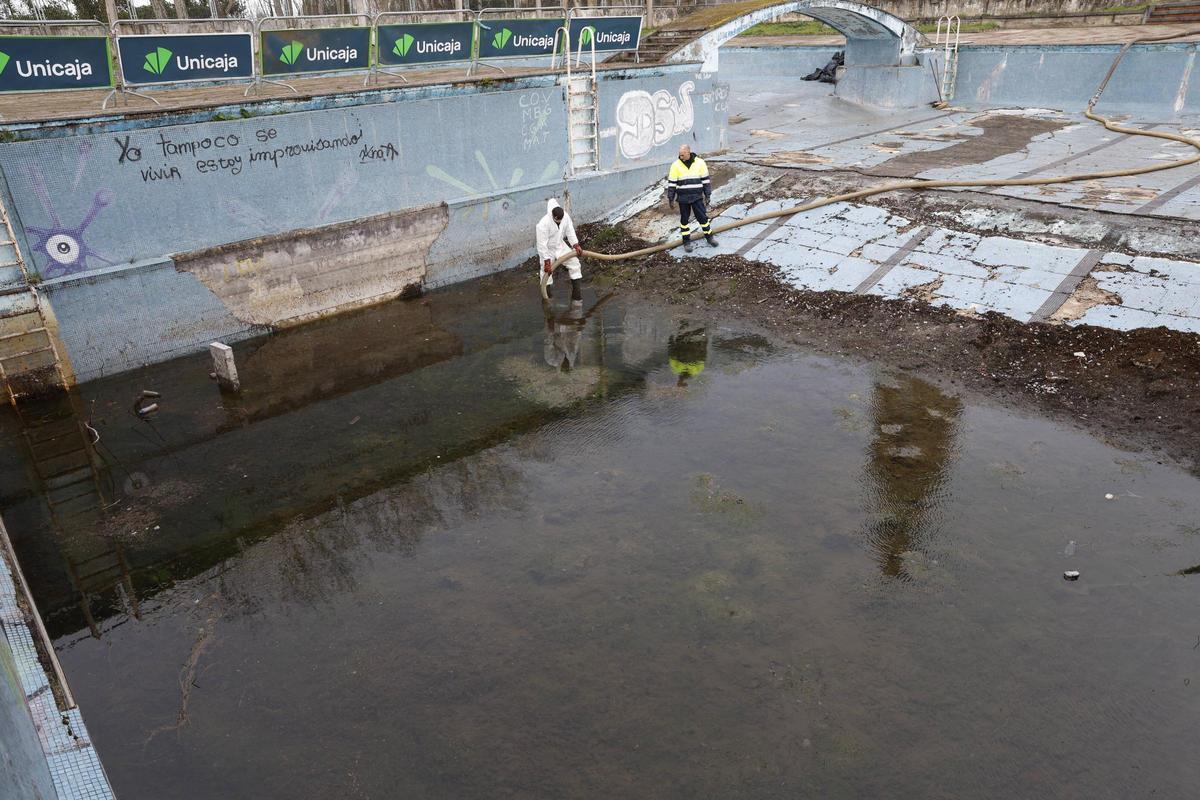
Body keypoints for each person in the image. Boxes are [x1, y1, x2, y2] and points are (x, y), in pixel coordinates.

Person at [666, 144, 716, 253]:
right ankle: (686, 242)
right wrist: (671, 198)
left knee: (703, 218)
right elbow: (672, 183)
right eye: (679, 155)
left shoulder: (700, 163)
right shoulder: (675, 165)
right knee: (684, 220)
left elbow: (705, 180)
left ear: (689, 153)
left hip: (697, 196)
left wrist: (707, 195)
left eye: (683, 155)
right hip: (683, 198)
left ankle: (710, 238)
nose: (681, 157)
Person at [536, 198, 585, 301]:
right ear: (553, 216)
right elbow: (541, 245)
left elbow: (570, 230)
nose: (559, 221)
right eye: (557, 220)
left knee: (574, 263)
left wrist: (575, 245)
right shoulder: (543, 224)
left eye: (560, 220)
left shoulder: (565, 217)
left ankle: (577, 298)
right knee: (546, 274)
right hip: (548, 250)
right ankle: (548, 299)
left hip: (560, 245)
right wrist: (546, 261)